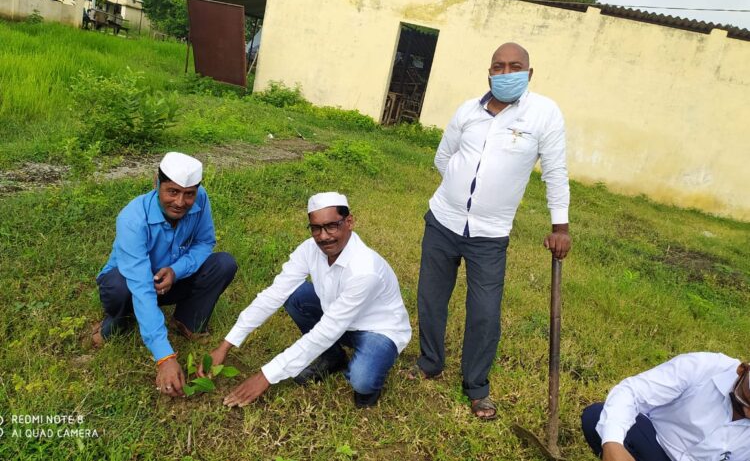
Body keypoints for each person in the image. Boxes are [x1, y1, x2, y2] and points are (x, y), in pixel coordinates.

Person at [410, 42, 571, 420]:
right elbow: (443, 157)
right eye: (498, 66)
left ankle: (476, 386)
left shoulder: (544, 114)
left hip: (490, 234)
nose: (505, 72)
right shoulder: (468, 109)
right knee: (431, 298)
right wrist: (459, 191)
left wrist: (559, 226)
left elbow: (555, 171)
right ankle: (430, 361)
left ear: (529, 74)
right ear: (489, 71)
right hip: (443, 222)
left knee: (484, 312)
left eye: (515, 66)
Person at [199, 192, 411, 408]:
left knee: (362, 379)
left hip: (376, 329)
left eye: (332, 226)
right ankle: (333, 357)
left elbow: (328, 330)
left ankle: (370, 383)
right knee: (294, 294)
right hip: (337, 318)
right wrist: (226, 344)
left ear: (349, 222)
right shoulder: (309, 249)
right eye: (316, 228)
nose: (323, 236)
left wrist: (265, 376)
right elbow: (273, 294)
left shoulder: (365, 270)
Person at [93, 152, 238, 398]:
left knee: (223, 263)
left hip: (170, 280)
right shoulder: (132, 219)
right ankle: (119, 318)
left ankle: (187, 321)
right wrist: (165, 357)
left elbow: (205, 242)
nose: (181, 202)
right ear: (156, 183)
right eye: (172, 192)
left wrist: (176, 270)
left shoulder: (201, 200)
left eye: (189, 194)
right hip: (131, 284)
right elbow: (140, 285)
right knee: (119, 287)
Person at [581, 352, 750, 461]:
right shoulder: (706, 366)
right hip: (654, 443)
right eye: (745, 400)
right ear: (742, 370)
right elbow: (632, 392)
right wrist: (613, 444)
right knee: (597, 416)